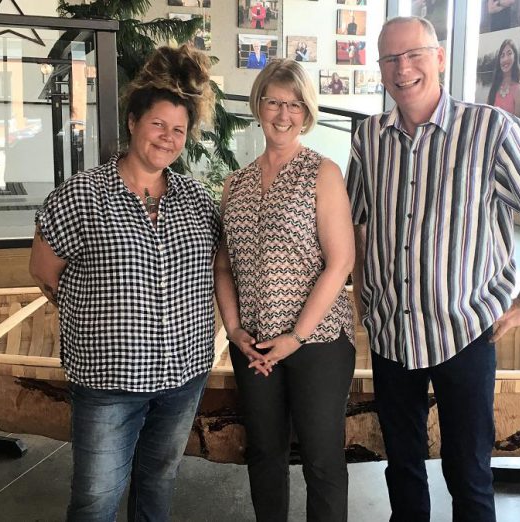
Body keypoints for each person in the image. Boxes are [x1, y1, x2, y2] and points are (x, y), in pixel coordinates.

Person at [346, 16, 520, 521]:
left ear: (440, 58)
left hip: (464, 333)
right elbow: (358, 224)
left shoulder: (490, 129)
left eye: (414, 55)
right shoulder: (369, 139)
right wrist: (363, 298)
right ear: (380, 69)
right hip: (392, 335)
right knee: (401, 467)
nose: (403, 68)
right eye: (390, 59)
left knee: (467, 472)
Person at [29, 44, 219, 522]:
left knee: (157, 490)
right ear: (133, 121)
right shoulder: (82, 195)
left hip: (182, 376)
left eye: (178, 130)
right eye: (158, 124)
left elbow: (216, 269)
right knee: (95, 500)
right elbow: (44, 271)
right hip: (109, 382)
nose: (168, 138)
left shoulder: (197, 200)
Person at [214, 58, 356, 522]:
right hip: (253, 346)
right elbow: (224, 266)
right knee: (265, 455)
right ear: (258, 104)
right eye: (274, 101)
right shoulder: (234, 183)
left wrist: (295, 337)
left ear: (306, 112)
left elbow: (340, 263)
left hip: (315, 344)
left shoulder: (323, 173)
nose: (282, 113)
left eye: (294, 104)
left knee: (321, 459)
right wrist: (234, 330)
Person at [487, 39, 520, 117]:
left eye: (509, 54)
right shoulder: (495, 86)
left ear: (515, 57)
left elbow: (516, 124)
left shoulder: (518, 89)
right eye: (502, 55)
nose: (505, 59)